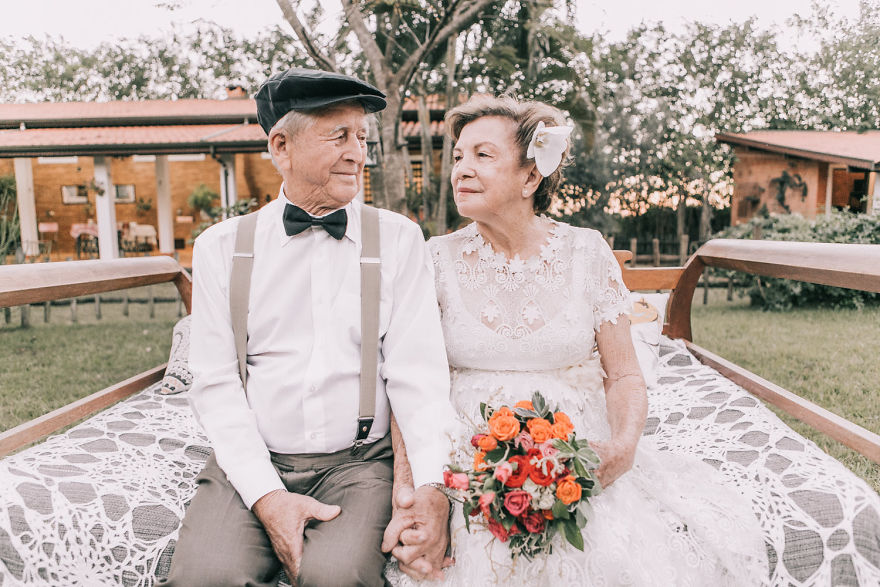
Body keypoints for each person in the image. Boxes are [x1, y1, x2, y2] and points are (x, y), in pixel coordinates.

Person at [385, 95, 769, 585]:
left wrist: (623, 447)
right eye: (458, 156)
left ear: (530, 178)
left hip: (571, 450)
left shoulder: (587, 252)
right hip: (464, 455)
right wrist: (419, 490)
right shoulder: (433, 258)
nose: (461, 168)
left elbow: (624, 373)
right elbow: (409, 381)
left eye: (482, 155)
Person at [163, 68, 456, 587]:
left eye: (361, 138)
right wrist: (267, 495)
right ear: (281, 146)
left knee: (336, 578)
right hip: (255, 459)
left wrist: (431, 486)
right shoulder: (221, 247)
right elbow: (215, 384)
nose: (357, 153)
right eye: (338, 136)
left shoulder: (399, 239)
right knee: (205, 576)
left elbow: (418, 375)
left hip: (360, 465)